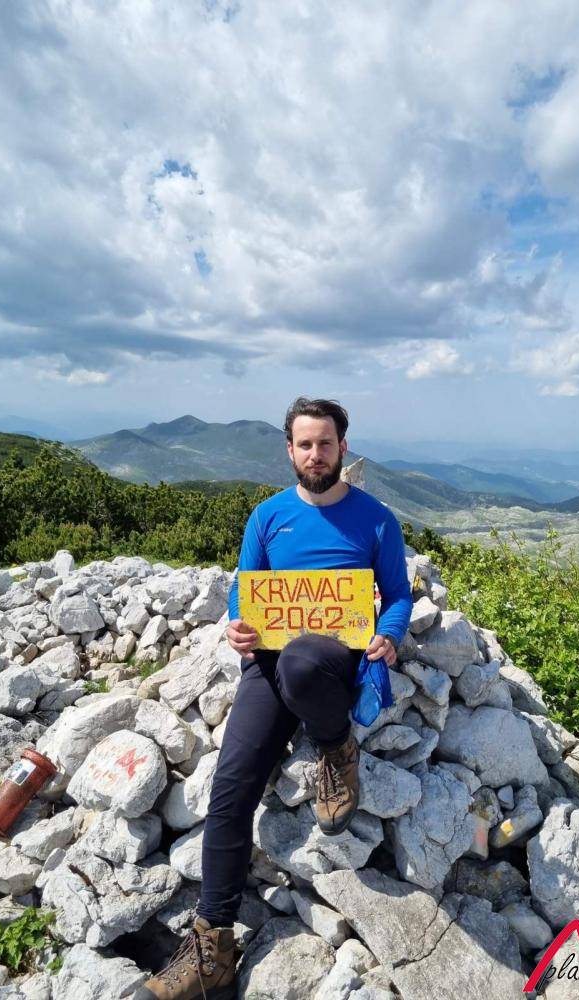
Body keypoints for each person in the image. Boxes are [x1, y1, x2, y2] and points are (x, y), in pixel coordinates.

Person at [134, 396, 413, 1000]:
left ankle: (336, 746)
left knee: (303, 661)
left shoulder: (376, 519)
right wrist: (237, 625)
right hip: (267, 662)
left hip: (328, 660)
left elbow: (396, 595)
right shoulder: (267, 516)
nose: (316, 455)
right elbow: (247, 589)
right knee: (231, 784)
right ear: (290, 450)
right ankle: (212, 944)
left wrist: (389, 635)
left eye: (326, 443)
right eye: (305, 444)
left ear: (343, 447)